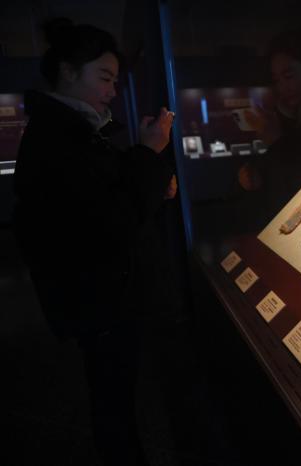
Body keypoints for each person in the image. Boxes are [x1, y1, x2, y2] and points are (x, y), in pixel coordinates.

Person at [13, 19, 176, 466]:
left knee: (116, 394)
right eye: (104, 77)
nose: (111, 91)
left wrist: (150, 176)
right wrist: (149, 153)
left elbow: (113, 195)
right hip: (100, 299)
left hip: (103, 295)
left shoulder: (75, 130)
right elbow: (112, 219)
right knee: (113, 402)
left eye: (114, 81)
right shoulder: (60, 138)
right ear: (68, 71)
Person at [238, 29, 301, 225]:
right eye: (277, 80)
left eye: (289, 76)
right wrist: (257, 173)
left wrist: (275, 141)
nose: (282, 87)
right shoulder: (292, 114)